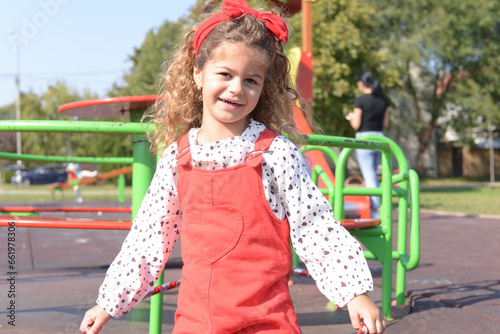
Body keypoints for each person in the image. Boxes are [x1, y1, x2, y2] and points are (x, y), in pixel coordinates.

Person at [80, 1, 386, 333]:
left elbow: (313, 225)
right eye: (224, 74)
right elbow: (149, 237)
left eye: (251, 80)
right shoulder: (177, 159)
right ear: (198, 75)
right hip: (197, 324)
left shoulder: (275, 154)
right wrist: (108, 302)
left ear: (263, 87)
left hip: (266, 324)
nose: (237, 88)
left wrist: (355, 293)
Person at [346, 70, 390, 219]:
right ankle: (377, 206)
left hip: (364, 138)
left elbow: (356, 124)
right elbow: (385, 123)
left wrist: (351, 117)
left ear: (361, 83)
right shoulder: (384, 100)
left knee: (369, 175)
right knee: (374, 175)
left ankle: (376, 210)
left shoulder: (361, 100)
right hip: (380, 139)